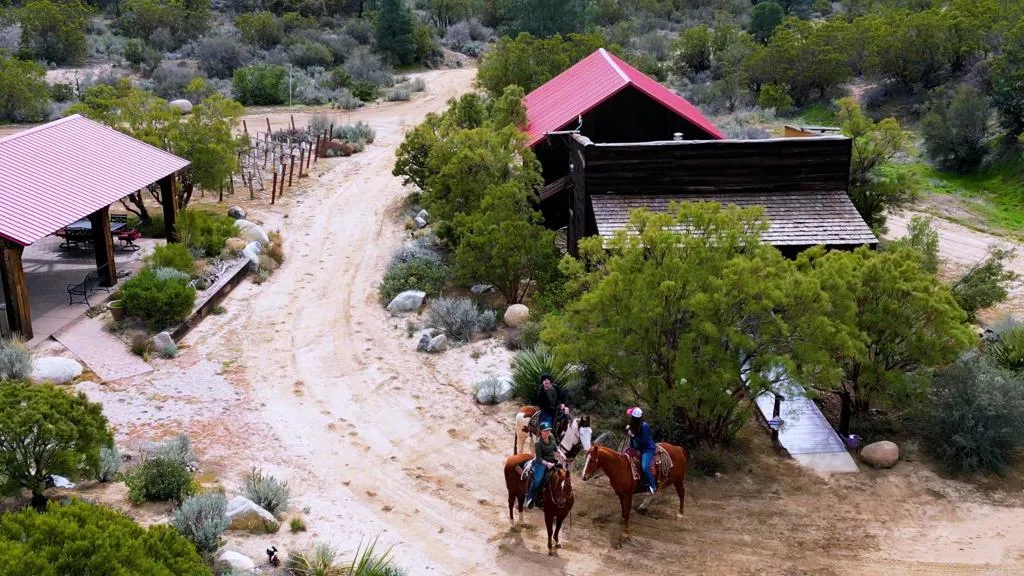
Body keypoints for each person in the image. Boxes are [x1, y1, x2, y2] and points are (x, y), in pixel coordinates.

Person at [525, 422, 558, 509]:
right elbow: (539, 458)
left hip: (552, 460)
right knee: (538, 480)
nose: (547, 432)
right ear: (541, 432)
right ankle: (529, 498)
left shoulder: (552, 437)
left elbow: (556, 447)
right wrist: (547, 464)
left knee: (562, 473)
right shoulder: (538, 443)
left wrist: (562, 454)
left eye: (548, 430)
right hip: (541, 463)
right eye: (545, 431)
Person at [626, 407, 657, 495]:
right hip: (638, 448)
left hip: (647, 449)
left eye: (633, 417)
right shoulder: (634, 425)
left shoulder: (644, 426)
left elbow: (644, 440)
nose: (631, 418)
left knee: (645, 466)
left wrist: (632, 435)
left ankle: (653, 486)